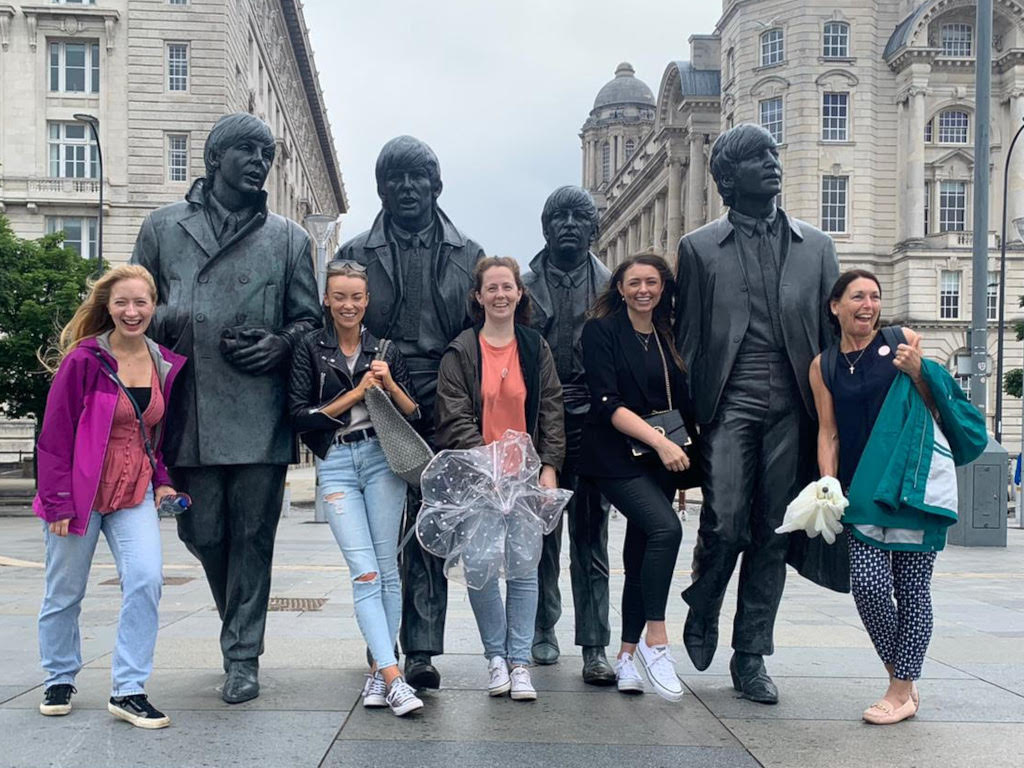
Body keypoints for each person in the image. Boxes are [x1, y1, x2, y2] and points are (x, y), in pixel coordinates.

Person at [131, 113, 321, 703]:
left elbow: (308, 319)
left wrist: (279, 343)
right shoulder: (162, 228)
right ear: (215, 159)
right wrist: (179, 318)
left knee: (255, 535)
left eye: (267, 153)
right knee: (204, 532)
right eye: (248, 151)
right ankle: (233, 622)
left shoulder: (289, 237)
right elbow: (132, 305)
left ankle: (243, 655)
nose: (260, 162)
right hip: (187, 409)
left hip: (257, 411)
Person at [673, 123, 841, 704]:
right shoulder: (698, 248)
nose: (771, 163)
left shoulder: (817, 247)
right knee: (723, 523)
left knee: (773, 531)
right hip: (730, 401)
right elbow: (689, 339)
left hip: (794, 403)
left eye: (774, 152)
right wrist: (690, 417)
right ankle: (704, 597)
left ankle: (751, 656)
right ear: (728, 177)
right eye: (755, 158)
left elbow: (828, 335)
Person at [336, 135, 485, 689]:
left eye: (416, 178)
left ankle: (420, 649)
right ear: (381, 188)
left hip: (446, 397)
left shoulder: (470, 255)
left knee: (429, 527)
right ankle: (382, 645)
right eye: (394, 178)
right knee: (379, 530)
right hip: (377, 396)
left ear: (435, 185)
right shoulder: (353, 253)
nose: (406, 188)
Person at [34, 264, 186, 729]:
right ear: (108, 307)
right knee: (65, 591)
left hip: (132, 490)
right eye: (122, 302)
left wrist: (162, 478)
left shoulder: (163, 362)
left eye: (140, 302)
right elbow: (55, 435)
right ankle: (59, 676)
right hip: (78, 493)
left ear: (153, 306)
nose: (131, 311)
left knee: (146, 579)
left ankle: (129, 689)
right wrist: (57, 501)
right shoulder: (85, 359)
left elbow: (153, 435)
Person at [288, 260, 423, 717]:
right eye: (339, 296)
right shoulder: (310, 347)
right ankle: (394, 677)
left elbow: (413, 412)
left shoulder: (384, 349)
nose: (348, 305)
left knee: (386, 569)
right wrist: (356, 393)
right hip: (338, 462)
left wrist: (386, 384)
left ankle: (378, 672)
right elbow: (299, 415)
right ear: (327, 299)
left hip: (382, 460)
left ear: (367, 301)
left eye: (356, 297)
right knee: (364, 571)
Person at [434, 257, 565, 701]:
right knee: (482, 570)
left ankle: (520, 662)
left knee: (526, 572)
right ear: (478, 297)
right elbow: (452, 414)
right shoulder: (462, 350)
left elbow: (551, 408)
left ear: (519, 293)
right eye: (491, 288)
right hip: (478, 479)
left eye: (507, 286)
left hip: (526, 481)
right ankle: (495, 659)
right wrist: (487, 464)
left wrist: (548, 466)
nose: (500, 295)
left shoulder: (534, 347)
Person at [809, 269, 935, 725]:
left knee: (913, 589)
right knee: (868, 588)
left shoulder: (904, 340)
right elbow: (829, 431)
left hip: (909, 487)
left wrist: (919, 371)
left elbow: (934, 405)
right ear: (835, 306)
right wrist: (828, 483)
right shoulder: (823, 365)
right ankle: (902, 679)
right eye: (858, 296)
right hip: (860, 491)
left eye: (875, 297)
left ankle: (899, 690)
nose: (868, 304)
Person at [581, 254, 696, 703]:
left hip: (660, 459)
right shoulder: (602, 332)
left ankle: (627, 657)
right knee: (666, 529)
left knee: (642, 548)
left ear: (663, 288)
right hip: (614, 455)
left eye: (651, 282)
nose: (643, 290)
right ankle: (656, 637)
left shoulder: (669, 337)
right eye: (634, 283)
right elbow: (606, 402)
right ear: (621, 288)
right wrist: (662, 442)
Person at [523, 185, 615, 683]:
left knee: (590, 538)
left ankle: (595, 644)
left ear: (593, 228)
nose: (568, 225)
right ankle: (543, 627)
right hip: (538, 424)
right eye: (557, 217)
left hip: (593, 424)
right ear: (545, 227)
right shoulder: (522, 284)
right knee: (541, 536)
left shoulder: (610, 288)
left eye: (579, 217)